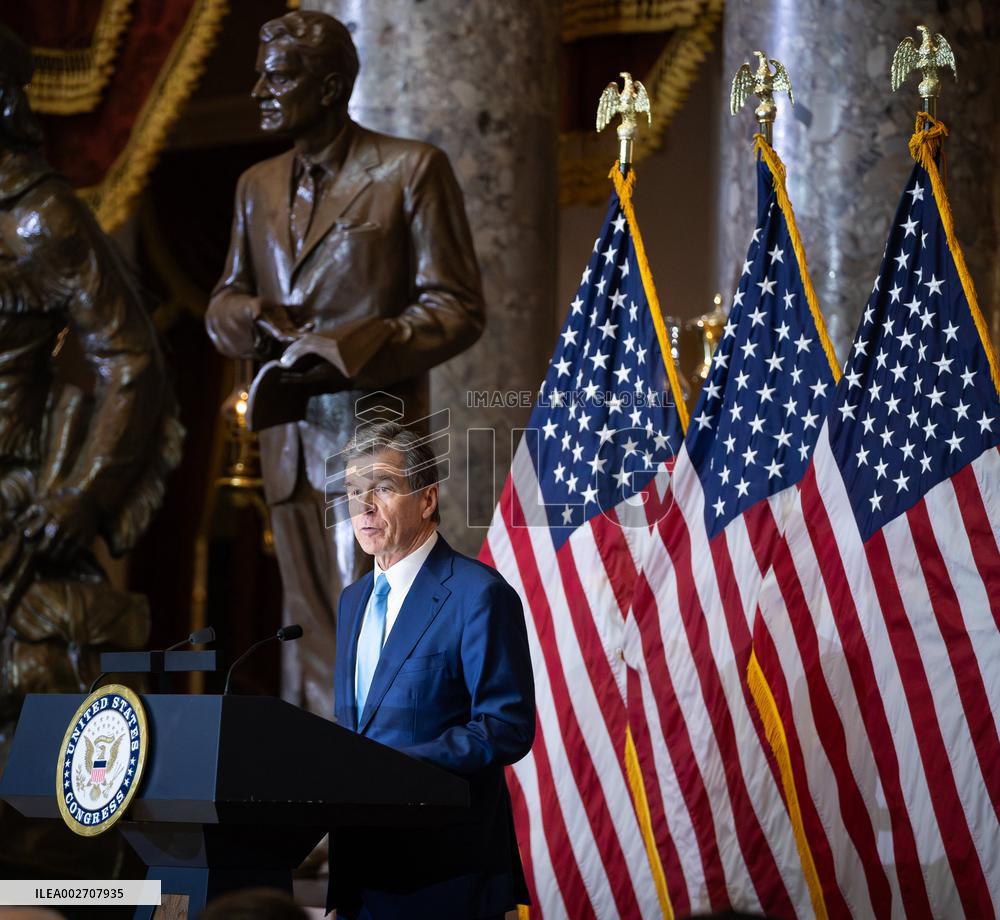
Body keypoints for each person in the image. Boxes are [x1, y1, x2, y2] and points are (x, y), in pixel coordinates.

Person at [205, 11, 484, 714]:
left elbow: (456, 307)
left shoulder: (410, 168)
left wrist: (349, 350)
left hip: (372, 440)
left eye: (281, 74)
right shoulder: (253, 184)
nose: (261, 88)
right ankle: (320, 812)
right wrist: (253, 317)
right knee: (308, 635)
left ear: (329, 86)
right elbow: (222, 303)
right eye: (262, 71)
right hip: (288, 441)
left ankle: (369, 799)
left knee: (379, 637)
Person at [330, 420, 534, 920]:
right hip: (361, 871)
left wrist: (398, 766)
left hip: (445, 875)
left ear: (426, 499)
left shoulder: (477, 594)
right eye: (354, 491)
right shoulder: (353, 601)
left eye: (382, 487)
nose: (364, 506)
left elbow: (506, 727)